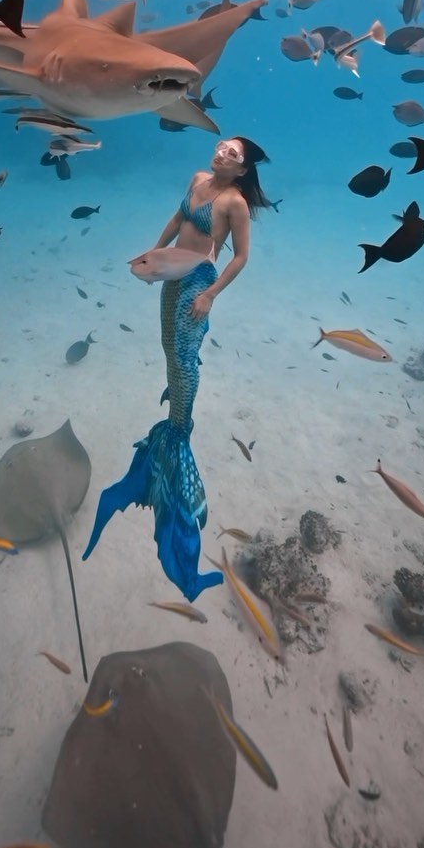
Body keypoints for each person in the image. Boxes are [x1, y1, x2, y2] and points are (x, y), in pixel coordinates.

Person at [83, 136, 272, 600]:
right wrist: (155, 252)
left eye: (235, 155)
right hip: (173, 270)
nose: (224, 154)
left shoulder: (235, 203)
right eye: (222, 147)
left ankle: (178, 431)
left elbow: (242, 256)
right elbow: (176, 219)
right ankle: (174, 414)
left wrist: (209, 296)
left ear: (244, 170)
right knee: (169, 345)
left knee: (185, 353)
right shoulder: (197, 181)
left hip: (199, 279)